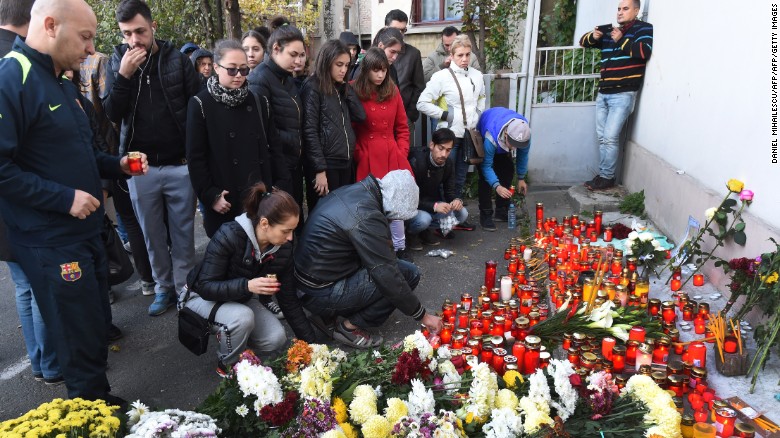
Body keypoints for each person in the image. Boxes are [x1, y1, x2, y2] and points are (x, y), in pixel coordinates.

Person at [0, 0, 148, 402]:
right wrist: (63, 198)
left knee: (93, 322)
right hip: (51, 238)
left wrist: (119, 165)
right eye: (85, 37)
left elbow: (81, 154)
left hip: (85, 231)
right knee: (75, 330)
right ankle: (92, 409)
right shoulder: (12, 78)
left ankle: (98, 402)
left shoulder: (62, 81)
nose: (89, 49)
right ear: (50, 25)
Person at [104, 0, 200, 316]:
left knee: (183, 232)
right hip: (137, 165)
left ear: (153, 26)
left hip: (178, 163)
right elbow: (111, 112)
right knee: (151, 234)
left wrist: (196, 155)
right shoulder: (118, 61)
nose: (134, 40)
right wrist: (124, 75)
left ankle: (185, 287)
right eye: (127, 33)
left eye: (140, 31)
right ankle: (163, 288)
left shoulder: (177, 61)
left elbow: (197, 107)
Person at [294, 170, 442, 348]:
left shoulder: (360, 191)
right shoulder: (366, 215)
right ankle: (348, 328)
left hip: (309, 285)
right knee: (407, 274)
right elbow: (387, 274)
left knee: (393, 269)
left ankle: (326, 316)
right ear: (395, 204)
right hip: (321, 292)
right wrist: (422, 315)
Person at [183, 184, 315, 375]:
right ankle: (227, 366)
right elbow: (205, 286)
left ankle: (235, 337)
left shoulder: (283, 249)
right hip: (199, 299)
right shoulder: (229, 234)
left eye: (293, 231)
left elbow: (289, 299)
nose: (290, 238)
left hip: (238, 298)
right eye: (286, 231)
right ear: (264, 224)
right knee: (242, 318)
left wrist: (312, 347)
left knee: (276, 337)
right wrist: (247, 285)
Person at [0, 0, 63, 387]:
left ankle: (41, 362)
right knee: (41, 284)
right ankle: (52, 363)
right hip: (24, 197)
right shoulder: (16, 62)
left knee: (24, 284)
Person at [186, 39, 279, 239]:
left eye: (244, 70)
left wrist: (274, 187)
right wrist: (211, 195)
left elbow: (271, 147)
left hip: (257, 195)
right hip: (225, 196)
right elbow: (196, 158)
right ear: (216, 68)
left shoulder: (258, 100)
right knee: (226, 255)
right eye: (232, 69)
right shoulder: (200, 103)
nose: (238, 75)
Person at [579, 0, 652, 191]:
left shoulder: (643, 29)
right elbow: (583, 42)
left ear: (636, 11)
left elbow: (644, 51)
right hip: (604, 93)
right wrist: (593, 36)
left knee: (610, 137)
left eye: (625, 9)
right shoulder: (611, 32)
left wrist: (622, 40)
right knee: (603, 137)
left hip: (624, 93)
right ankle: (604, 174)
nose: (620, 12)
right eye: (618, 9)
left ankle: (607, 177)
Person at [417, 34, 484, 230]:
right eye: (460, 55)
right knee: (442, 176)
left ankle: (453, 218)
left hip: (469, 134)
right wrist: (447, 115)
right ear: (452, 55)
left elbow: (481, 96)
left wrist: (478, 113)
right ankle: (438, 221)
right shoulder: (442, 76)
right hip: (449, 134)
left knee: (461, 177)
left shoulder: (476, 75)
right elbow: (422, 103)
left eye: (467, 54)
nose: (464, 59)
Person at [352, 47, 412, 259]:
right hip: (366, 154)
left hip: (391, 154)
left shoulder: (392, 90)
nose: (380, 75)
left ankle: (400, 248)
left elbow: (403, 127)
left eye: (384, 70)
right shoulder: (354, 89)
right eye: (375, 70)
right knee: (369, 205)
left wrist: (401, 152)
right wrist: (358, 152)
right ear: (366, 69)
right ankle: (372, 250)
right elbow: (349, 127)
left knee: (395, 205)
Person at [301, 39, 366, 212]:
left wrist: (346, 88)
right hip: (326, 163)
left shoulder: (340, 87)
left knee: (343, 212)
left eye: (346, 65)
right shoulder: (313, 86)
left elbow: (360, 115)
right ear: (327, 61)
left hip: (345, 160)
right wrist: (319, 169)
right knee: (324, 214)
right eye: (339, 65)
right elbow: (309, 130)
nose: (344, 70)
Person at [247, 25, 304, 224]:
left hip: (292, 163)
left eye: (301, 55)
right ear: (276, 48)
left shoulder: (286, 78)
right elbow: (261, 132)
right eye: (293, 54)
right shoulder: (259, 80)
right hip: (276, 168)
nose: (298, 61)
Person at [406, 128, 469, 250]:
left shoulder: (448, 163)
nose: (444, 154)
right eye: (440, 148)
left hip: (432, 204)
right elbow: (408, 199)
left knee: (462, 213)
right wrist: (434, 206)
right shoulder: (416, 161)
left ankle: (427, 231)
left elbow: (450, 192)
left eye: (448, 150)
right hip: (412, 207)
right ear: (432, 145)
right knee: (424, 219)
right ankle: (411, 233)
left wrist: (456, 200)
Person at [476, 107, 532, 231]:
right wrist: (497, 186)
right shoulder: (490, 138)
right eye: (512, 144)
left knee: (507, 170)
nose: (514, 149)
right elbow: (486, 166)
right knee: (485, 179)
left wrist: (521, 178)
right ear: (506, 134)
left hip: (502, 125)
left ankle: (501, 210)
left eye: (517, 146)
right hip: (488, 127)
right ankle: (485, 215)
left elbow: (523, 155)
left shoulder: (524, 133)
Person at [384, 10, 425, 155]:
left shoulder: (413, 54)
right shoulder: (376, 52)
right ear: (386, 28)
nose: (400, 34)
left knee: (403, 159)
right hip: (382, 118)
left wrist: (410, 115)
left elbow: (419, 86)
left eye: (403, 30)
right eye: (396, 29)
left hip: (405, 116)